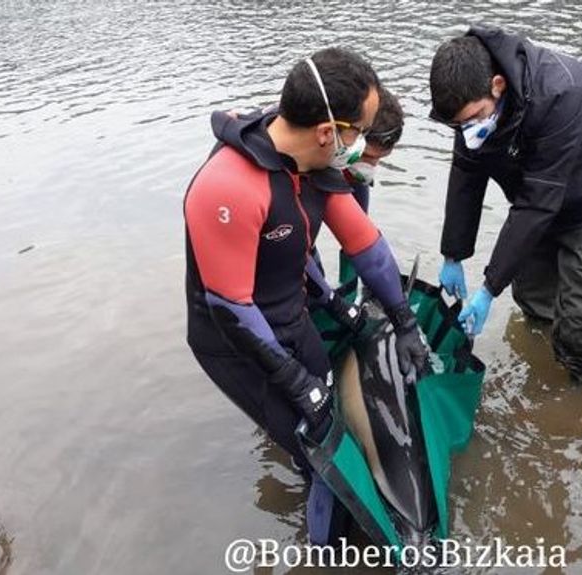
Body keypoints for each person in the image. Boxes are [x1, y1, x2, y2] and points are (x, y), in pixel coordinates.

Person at [182, 47, 428, 542]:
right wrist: (297, 385)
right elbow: (230, 308)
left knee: (330, 421)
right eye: (360, 131)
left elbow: (368, 249)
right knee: (314, 447)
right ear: (328, 133)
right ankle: (328, 549)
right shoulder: (228, 188)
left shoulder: (314, 166)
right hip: (233, 341)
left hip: (289, 316)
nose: (360, 146)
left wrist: (404, 323)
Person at [428, 26, 582, 382]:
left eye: (473, 117)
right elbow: (467, 174)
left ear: (497, 85)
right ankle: (540, 359)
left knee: (580, 319)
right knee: (531, 294)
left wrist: (488, 288)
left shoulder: (561, 94)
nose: (466, 130)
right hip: (537, 190)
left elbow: (536, 204)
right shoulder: (471, 107)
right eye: (457, 124)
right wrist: (453, 254)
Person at [309, 86, 405, 292]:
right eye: (368, 157)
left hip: (343, 182)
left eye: (380, 159)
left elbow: (359, 236)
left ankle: (351, 288)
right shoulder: (312, 154)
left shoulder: (357, 173)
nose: (372, 167)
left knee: (358, 245)